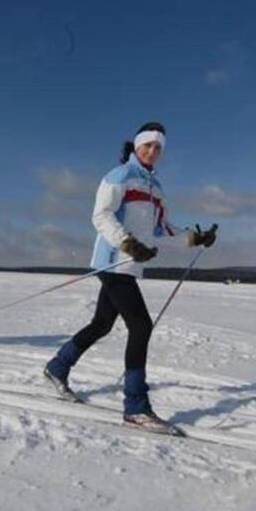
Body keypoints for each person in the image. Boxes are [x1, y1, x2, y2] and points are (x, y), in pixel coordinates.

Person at [44, 122, 218, 433]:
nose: (152, 151)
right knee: (140, 325)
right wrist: (125, 242)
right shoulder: (120, 175)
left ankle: (58, 367)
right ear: (136, 146)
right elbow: (101, 215)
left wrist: (196, 237)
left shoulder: (155, 188)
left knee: (102, 324)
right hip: (113, 261)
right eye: (147, 145)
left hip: (130, 265)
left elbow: (161, 229)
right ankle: (135, 407)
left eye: (158, 148)